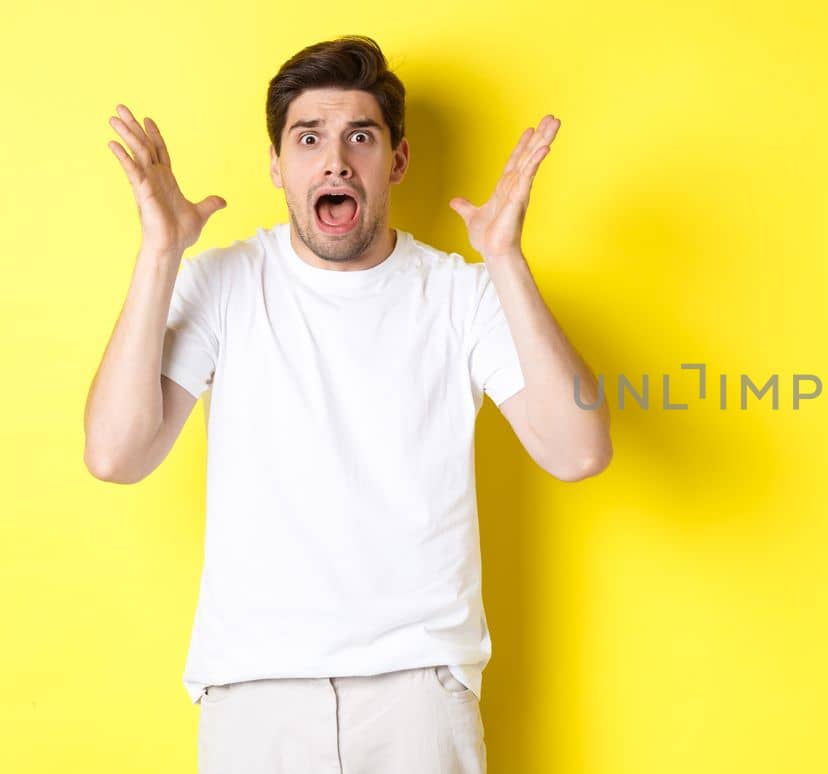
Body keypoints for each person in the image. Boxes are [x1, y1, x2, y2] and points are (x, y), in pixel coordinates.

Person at [82, 35, 612, 773]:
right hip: (253, 696)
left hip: (418, 698)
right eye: (309, 138)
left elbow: (578, 451)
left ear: (395, 161)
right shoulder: (224, 285)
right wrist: (160, 254)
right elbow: (115, 454)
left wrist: (507, 261)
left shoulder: (464, 294)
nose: (335, 159)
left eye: (360, 136)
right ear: (278, 165)